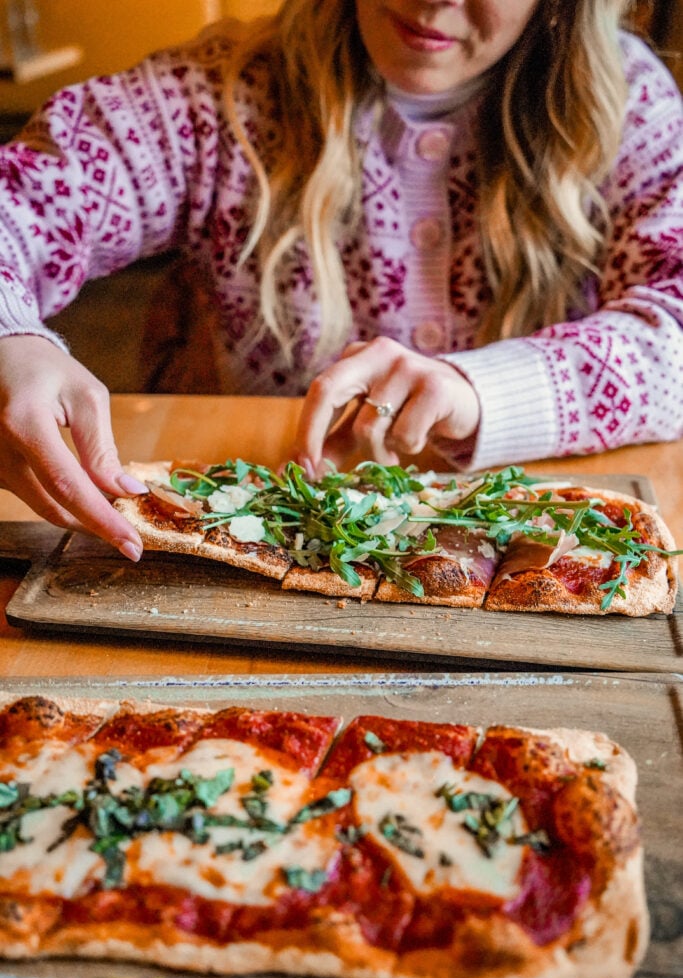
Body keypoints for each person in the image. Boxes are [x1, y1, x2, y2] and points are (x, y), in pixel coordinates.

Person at [0, 0, 681, 564]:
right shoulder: (209, 97)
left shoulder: (628, 106)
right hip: (222, 564)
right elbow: (20, 201)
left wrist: (476, 390)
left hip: (538, 553)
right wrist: (10, 338)